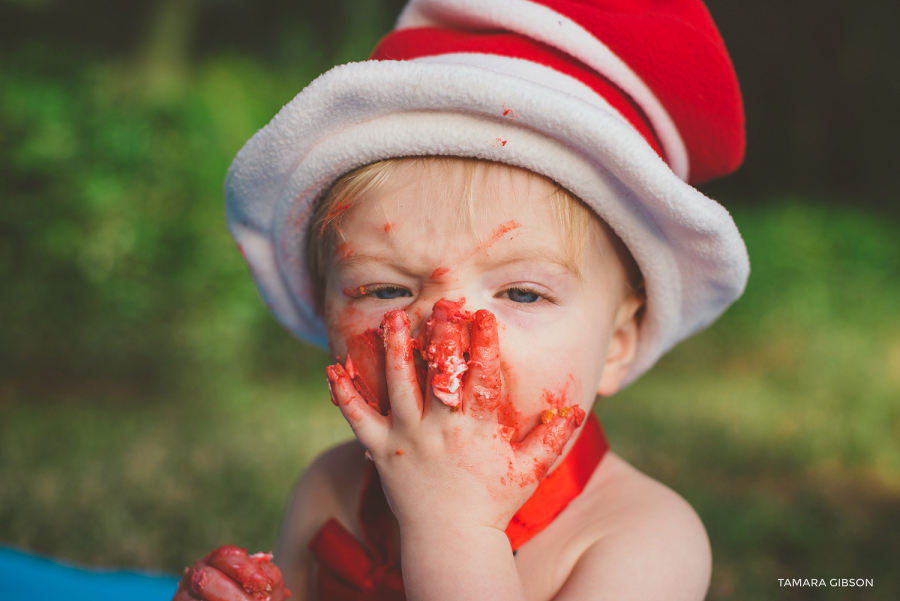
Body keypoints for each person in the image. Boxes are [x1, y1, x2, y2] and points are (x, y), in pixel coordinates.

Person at [174, 0, 749, 599]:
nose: (445, 333)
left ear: (619, 345)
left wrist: (453, 528)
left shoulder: (643, 540)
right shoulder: (330, 489)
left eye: (522, 293)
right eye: (386, 289)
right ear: (326, 312)